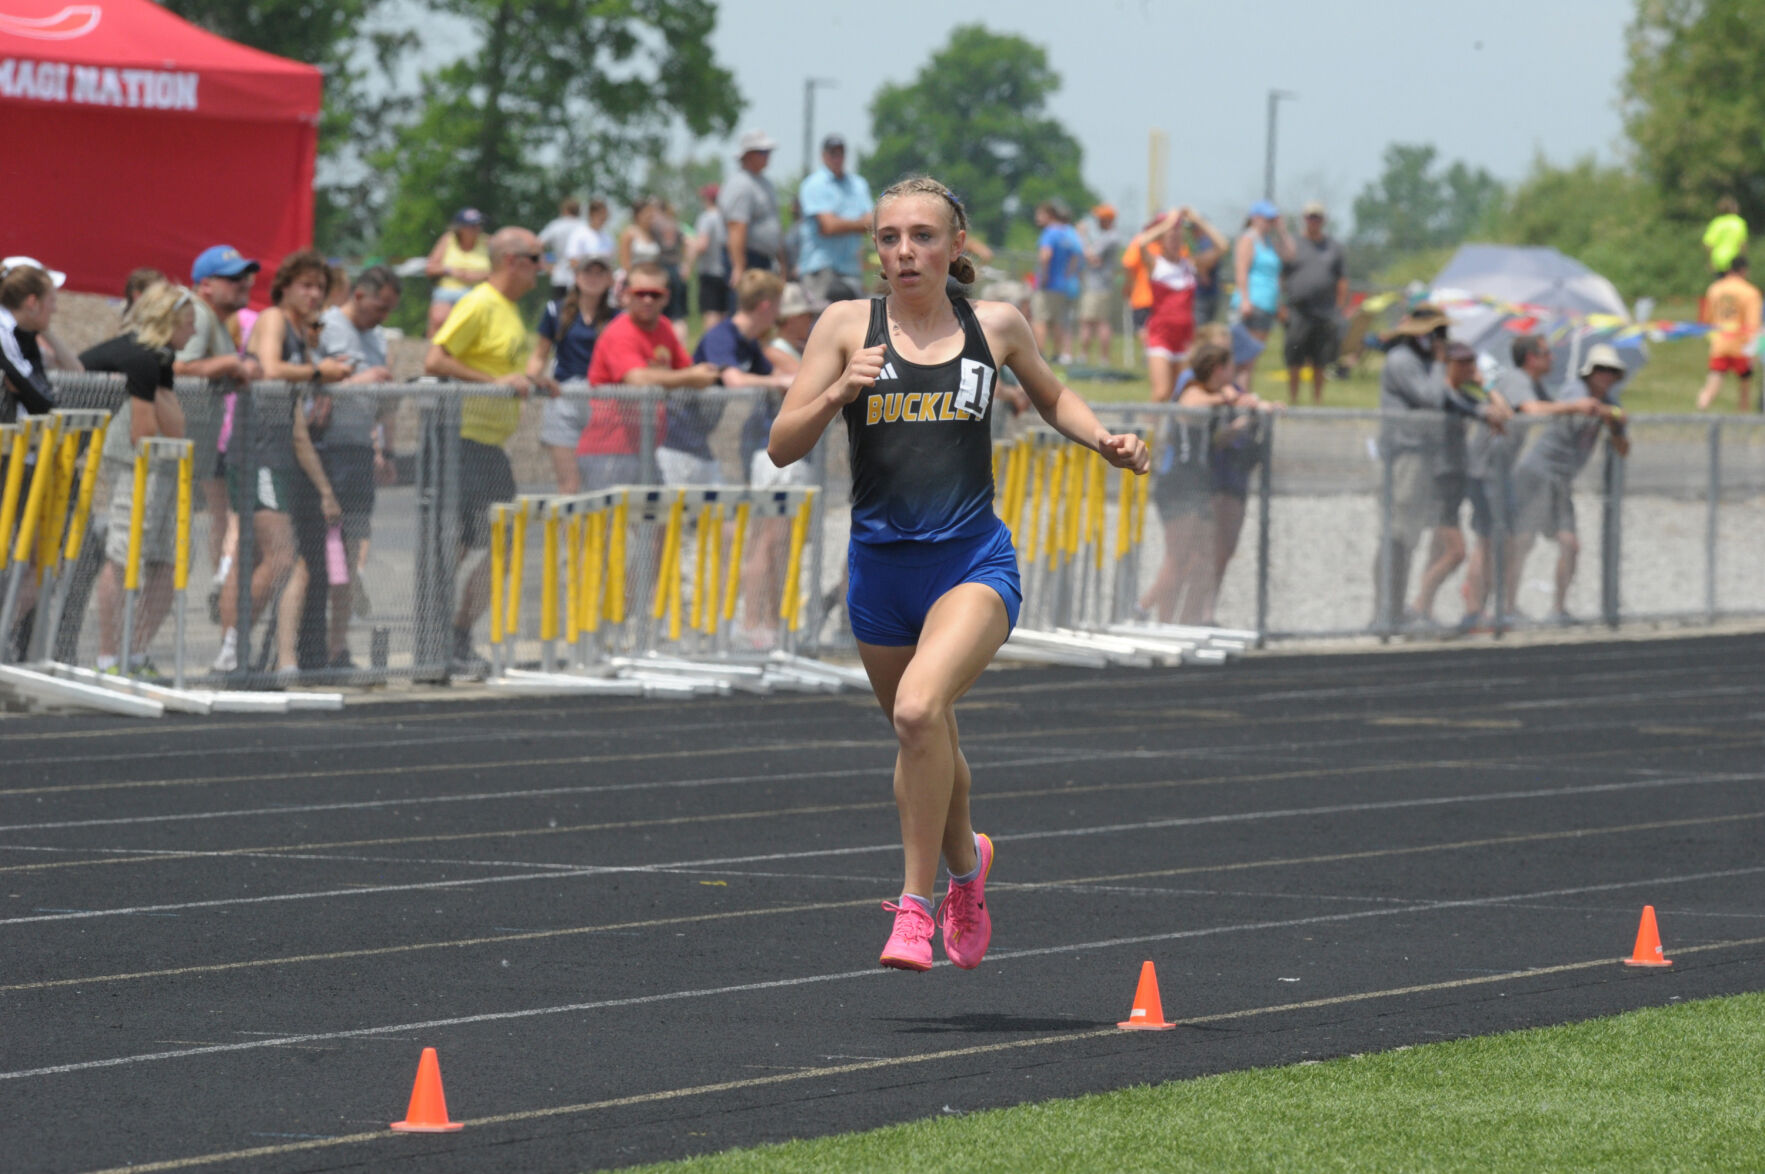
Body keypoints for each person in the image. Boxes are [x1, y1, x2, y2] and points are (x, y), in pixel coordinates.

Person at [766, 174, 1148, 972]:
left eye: (923, 236)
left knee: (916, 712)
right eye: (889, 237)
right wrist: (839, 388)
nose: (905, 252)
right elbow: (780, 444)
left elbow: (1053, 396)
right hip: (879, 572)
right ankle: (968, 869)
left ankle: (913, 908)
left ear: (956, 245)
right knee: (926, 733)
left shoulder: (995, 325)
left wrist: (1105, 439)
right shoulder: (844, 325)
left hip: (970, 562)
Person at [423, 226, 555, 677]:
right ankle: (436, 638)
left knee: (505, 542)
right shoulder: (479, 302)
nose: (543, 267)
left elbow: (503, 368)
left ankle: (457, 635)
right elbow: (436, 359)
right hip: (462, 439)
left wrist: (531, 381)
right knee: (456, 544)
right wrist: (494, 384)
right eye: (537, 257)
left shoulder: (511, 310)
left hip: (489, 444)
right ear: (512, 261)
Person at [214, 250, 353, 675]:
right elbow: (271, 369)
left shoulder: (302, 334)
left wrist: (325, 488)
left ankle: (252, 654)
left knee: (259, 558)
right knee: (280, 556)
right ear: (287, 287)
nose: (314, 294)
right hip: (256, 449)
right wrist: (318, 373)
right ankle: (232, 648)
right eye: (306, 286)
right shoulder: (274, 319)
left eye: (321, 288)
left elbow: (295, 423)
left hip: (280, 451)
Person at [83, 282, 197, 675]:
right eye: (189, 324)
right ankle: (110, 655)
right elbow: (143, 433)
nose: (194, 333)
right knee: (124, 553)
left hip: (158, 463)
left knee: (169, 556)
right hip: (137, 462)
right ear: (170, 323)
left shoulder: (158, 359)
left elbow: (174, 424)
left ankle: (133, 650)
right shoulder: (142, 358)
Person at [1372, 305, 1507, 630]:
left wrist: (1480, 410)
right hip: (1404, 457)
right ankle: (1385, 613)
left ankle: (1395, 611)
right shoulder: (1403, 361)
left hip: (1421, 459)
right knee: (1397, 536)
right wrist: (1437, 361)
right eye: (1437, 333)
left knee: (1407, 538)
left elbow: (1450, 399)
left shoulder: (1420, 362)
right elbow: (1432, 396)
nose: (1442, 340)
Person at [1462, 333, 1599, 628]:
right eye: (1547, 354)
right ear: (1531, 358)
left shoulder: (1534, 385)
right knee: (1487, 540)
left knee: (1505, 539)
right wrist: (1575, 406)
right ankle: (1475, 610)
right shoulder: (1517, 380)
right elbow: (1533, 409)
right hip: (1486, 468)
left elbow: (1554, 406)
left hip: (1501, 471)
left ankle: (1499, 607)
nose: (1552, 359)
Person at [315, 266, 402, 667]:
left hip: (359, 450)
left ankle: (338, 646)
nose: (382, 317)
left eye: (390, 310)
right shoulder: (329, 327)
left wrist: (386, 448)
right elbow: (312, 388)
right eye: (379, 307)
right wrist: (363, 379)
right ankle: (307, 641)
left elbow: (385, 401)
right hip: (325, 448)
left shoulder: (379, 337)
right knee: (317, 551)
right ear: (360, 296)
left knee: (350, 553)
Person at [1509, 343, 1630, 624]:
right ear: (1590, 373)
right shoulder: (1575, 391)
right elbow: (1582, 409)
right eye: (1600, 370)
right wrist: (1600, 411)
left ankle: (1558, 609)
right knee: (1523, 540)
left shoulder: (1612, 404)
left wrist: (1616, 425)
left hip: (1561, 481)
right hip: (1538, 474)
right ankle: (1508, 606)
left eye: (1611, 371)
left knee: (1570, 544)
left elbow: (1622, 447)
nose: (1605, 376)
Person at [578, 260, 720, 490]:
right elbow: (637, 379)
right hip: (608, 449)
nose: (647, 300)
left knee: (659, 521)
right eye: (640, 293)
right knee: (608, 524)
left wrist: (700, 373)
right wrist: (690, 377)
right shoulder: (619, 332)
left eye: (655, 294)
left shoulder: (663, 327)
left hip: (646, 448)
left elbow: (686, 368)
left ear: (666, 298)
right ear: (626, 295)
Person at [176, 245, 263, 624]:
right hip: (165, 448)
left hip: (186, 449)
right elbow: (178, 366)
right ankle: (121, 660)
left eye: (245, 276)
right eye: (232, 278)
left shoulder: (216, 321)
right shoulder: (196, 312)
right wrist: (230, 363)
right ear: (205, 285)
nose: (243, 284)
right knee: (156, 556)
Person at [0, 260, 80, 658]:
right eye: (51, 300)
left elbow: (67, 375)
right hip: (14, 452)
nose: (56, 309)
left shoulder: (26, 334)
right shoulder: (6, 332)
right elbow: (32, 393)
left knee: (40, 555)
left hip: (28, 453)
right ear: (30, 300)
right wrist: (45, 403)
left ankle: (7, 633)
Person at [1137, 338, 1234, 624]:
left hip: (1198, 485)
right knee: (1177, 558)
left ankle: (1186, 622)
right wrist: (1226, 398)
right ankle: (1146, 609)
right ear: (1217, 369)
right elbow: (1191, 405)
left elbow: (1212, 436)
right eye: (1229, 369)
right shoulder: (1194, 391)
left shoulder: (1210, 396)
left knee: (1203, 560)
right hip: (1178, 485)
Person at [744, 282, 817, 637]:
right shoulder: (777, 351)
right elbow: (814, 380)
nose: (810, 322)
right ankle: (756, 622)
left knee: (782, 542)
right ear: (790, 318)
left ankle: (772, 620)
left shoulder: (791, 350)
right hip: (776, 459)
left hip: (789, 459)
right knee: (769, 541)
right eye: (805, 315)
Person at [1407, 342, 1495, 625]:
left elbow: (1502, 413)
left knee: (1439, 549)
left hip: (1456, 479)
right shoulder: (1443, 394)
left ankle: (1425, 610)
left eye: (1471, 362)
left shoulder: (1463, 394)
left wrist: (1486, 385)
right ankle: (1418, 605)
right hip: (1439, 480)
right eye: (1462, 363)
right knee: (1456, 552)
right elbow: (1492, 416)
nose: (1468, 368)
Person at [527, 251, 616, 495]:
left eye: (601, 273)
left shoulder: (618, 317)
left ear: (610, 279)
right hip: (564, 396)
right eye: (588, 271)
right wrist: (534, 377)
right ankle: (570, 535)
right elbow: (539, 355)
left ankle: (599, 535)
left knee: (601, 486)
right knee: (569, 484)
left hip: (603, 401)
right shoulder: (556, 311)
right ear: (577, 277)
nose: (594, 278)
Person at [1126, 208, 1227, 405]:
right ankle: (1149, 435)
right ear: (1161, 240)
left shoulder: (1190, 264)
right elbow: (1141, 243)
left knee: (1180, 393)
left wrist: (1197, 220)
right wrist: (1166, 225)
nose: (1175, 237)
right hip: (1160, 335)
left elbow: (1222, 246)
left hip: (1185, 337)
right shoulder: (1156, 264)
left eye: (1178, 234)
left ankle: (1171, 435)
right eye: (1170, 235)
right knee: (1161, 392)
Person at [797, 133, 874, 312]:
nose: (837, 158)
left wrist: (839, 223)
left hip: (851, 268)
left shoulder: (858, 184)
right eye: (833, 153)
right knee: (819, 322)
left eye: (840, 153)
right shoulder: (814, 184)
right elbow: (828, 226)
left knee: (854, 324)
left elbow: (871, 222)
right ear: (823, 155)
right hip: (821, 269)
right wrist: (857, 224)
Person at [1282, 201, 1348, 406]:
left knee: (1320, 360)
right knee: (1294, 358)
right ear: (1304, 219)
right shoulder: (1293, 244)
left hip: (1325, 312)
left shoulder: (1334, 247)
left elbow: (1342, 279)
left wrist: (1339, 307)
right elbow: (1281, 275)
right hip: (1298, 310)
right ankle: (1293, 400)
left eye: (1317, 217)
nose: (1314, 221)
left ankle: (1317, 402)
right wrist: (1281, 305)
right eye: (1311, 217)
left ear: (1323, 220)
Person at [1231, 201, 1290, 393]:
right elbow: (1241, 271)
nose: (1270, 223)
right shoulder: (1248, 240)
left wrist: (1282, 230)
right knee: (1243, 359)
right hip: (1251, 305)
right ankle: (1238, 400)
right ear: (1255, 218)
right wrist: (1245, 300)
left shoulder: (1270, 243)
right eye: (1267, 219)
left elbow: (1290, 254)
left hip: (1267, 306)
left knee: (1252, 360)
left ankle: (1244, 397)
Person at [720, 130, 784, 292]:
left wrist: (782, 261)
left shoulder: (764, 183)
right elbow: (736, 226)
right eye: (762, 152)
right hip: (748, 259)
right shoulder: (741, 184)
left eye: (768, 152)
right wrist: (739, 267)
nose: (767, 156)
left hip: (764, 259)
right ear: (747, 155)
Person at [1696, 254, 1760, 412]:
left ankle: (1700, 408)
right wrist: (1754, 350)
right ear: (1744, 271)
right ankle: (1742, 418)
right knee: (1745, 385)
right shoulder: (1750, 292)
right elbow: (1753, 324)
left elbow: (1707, 319)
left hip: (1719, 342)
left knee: (1713, 380)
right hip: (1742, 345)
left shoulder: (1714, 289)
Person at [424, 208, 491, 337]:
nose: (476, 229)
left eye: (478, 225)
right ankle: (433, 350)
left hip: (478, 292)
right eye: (472, 226)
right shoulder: (447, 240)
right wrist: (451, 271)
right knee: (439, 318)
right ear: (460, 227)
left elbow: (500, 271)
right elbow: (431, 268)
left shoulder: (488, 242)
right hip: (448, 290)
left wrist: (474, 276)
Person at [1032, 201, 1082, 363]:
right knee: (1058, 322)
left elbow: (1045, 255)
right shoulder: (1066, 234)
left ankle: (1040, 354)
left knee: (1040, 319)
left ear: (1050, 215)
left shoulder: (1049, 233)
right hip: (1062, 285)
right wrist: (1069, 274)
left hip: (1047, 284)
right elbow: (1076, 255)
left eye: (1040, 214)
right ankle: (1057, 354)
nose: (1037, 218)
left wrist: (1045, 275)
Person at [1076, 205, 1122, 366]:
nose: (1097, 222)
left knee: (1092, 322)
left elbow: (1091, 256)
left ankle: (1091, 357)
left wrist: (1082, 236)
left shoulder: (1110, 237)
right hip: (1100, 286)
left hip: (1097, 286)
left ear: (1107, 220)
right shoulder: (1109, 237)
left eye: (1099, 219)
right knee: (1096, 321)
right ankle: (1097, 358)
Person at [689, 184, 728, 331]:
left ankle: (712, 349)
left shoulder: (706, 218)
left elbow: (702, 245)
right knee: (725, 313)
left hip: (709, 271)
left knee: (711, 313)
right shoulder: (725, 218)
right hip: (725, 272)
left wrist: (690, 245)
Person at [537, 197, 589, 297]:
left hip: (559, 275)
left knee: (558, 310)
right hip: (582, 277)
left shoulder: (556, 225)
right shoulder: (584, 227)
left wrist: (545, 265)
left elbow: (537, 244)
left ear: (564, 210)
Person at [1702, 196, 1747, 278]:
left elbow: (1708, 244)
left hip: (1718, 260)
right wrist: (1743, 261)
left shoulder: (1716, 223)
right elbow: (1742, 244)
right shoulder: (1739, 222)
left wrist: (1710, 260)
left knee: (1721, 285)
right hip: (1734, 261)